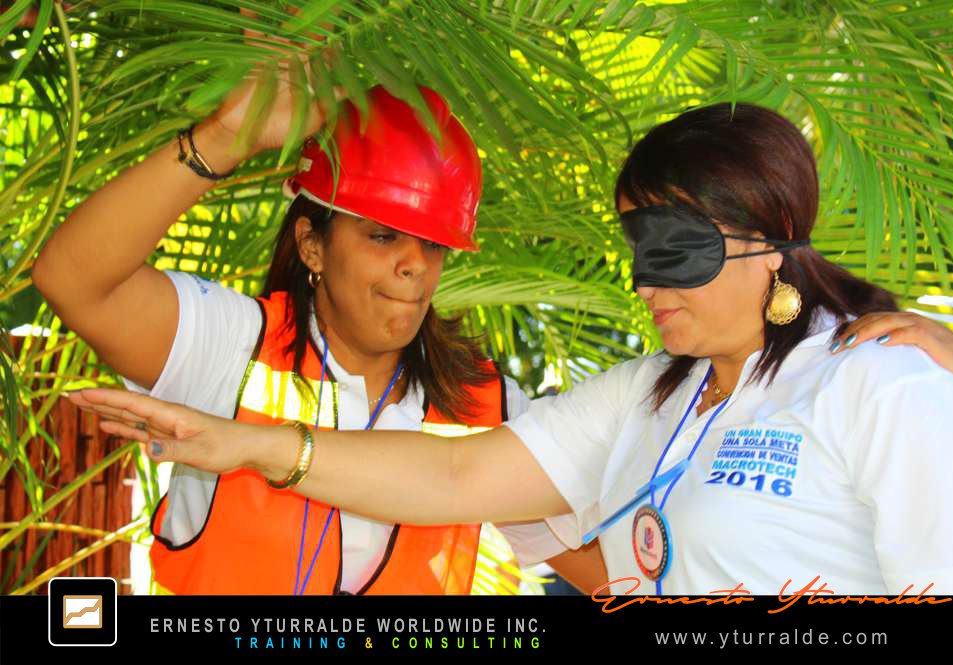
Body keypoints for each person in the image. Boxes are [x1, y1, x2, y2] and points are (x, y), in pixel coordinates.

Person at [69, 103, 953, 595]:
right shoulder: (649, 395)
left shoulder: (878, 386)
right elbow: (458, 477)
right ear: (312, 242)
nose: (644, 284)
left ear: (770, 243)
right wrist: (242, 441)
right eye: (637, 248)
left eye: (672, 250)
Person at [32, 77, 596, 594]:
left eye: (433, 244)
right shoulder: (231, 348)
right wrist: (224, 138)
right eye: (383, 236)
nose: (415, 265)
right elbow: (73, 280)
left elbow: (610, 573)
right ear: (312, 245)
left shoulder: (484, 406)